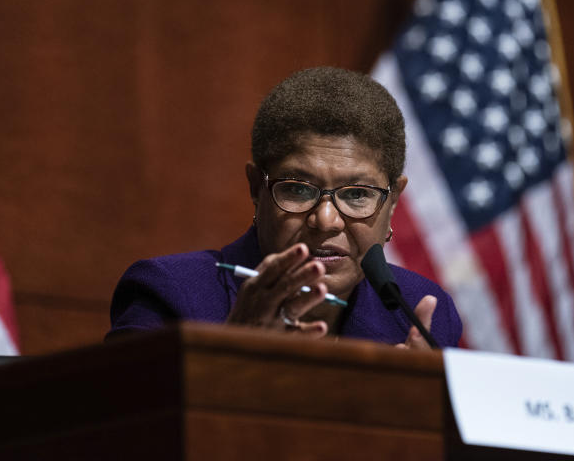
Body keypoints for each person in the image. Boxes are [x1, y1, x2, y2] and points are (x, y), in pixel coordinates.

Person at [108, 67, 462, 348]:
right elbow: (125, 432)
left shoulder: (421, 313)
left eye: (357, 195)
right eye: (297, 189)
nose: (325, 220)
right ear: (255, 190)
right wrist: (231, 356)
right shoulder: (172, 294)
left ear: (394, 201)